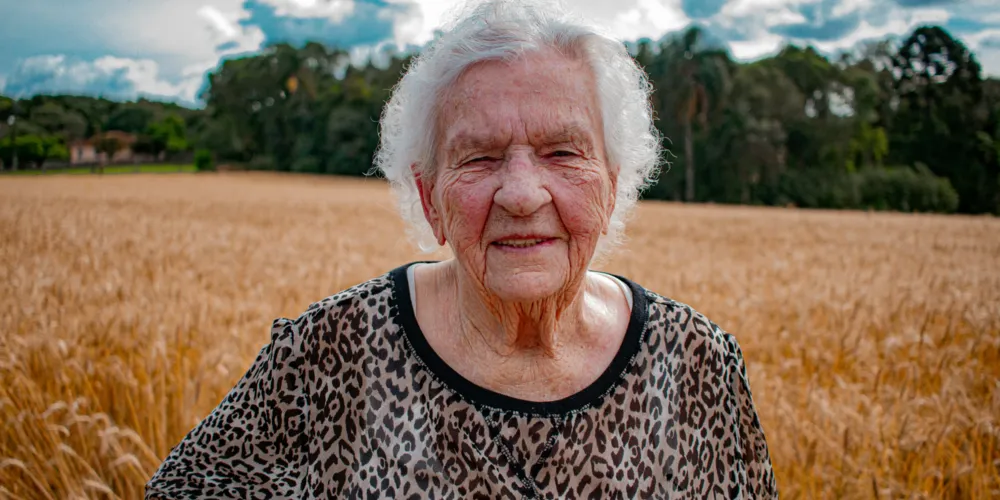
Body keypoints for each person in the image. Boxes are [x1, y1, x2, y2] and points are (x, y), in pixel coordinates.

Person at [145, 0, 777, 497]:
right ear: (430, 198)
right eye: (479, 157)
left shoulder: (696, 362)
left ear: (611, 188)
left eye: (562, 152)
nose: (522, 194)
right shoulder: (330, 351)